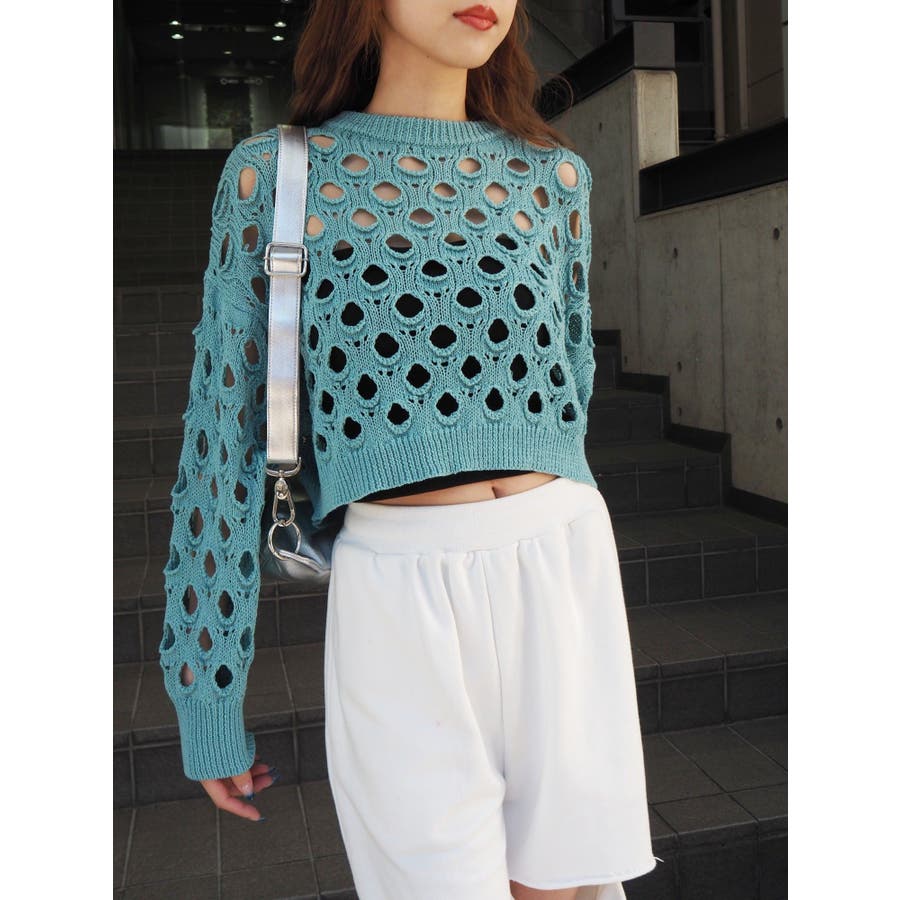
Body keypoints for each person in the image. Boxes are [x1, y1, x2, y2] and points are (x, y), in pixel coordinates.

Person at [157, 1, 657, 898]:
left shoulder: (553, 178)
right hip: (400, 584)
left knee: (564, 888)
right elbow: (219, 449)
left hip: (562, 564)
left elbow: (568, 387)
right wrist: (208, 692)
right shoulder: (276, 176)